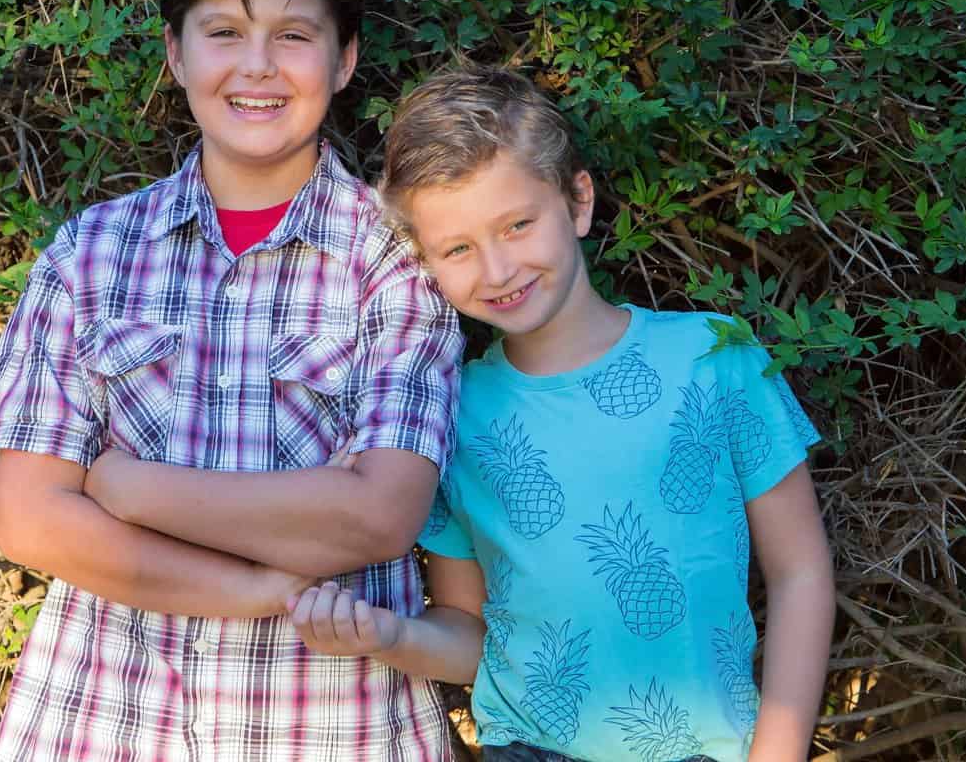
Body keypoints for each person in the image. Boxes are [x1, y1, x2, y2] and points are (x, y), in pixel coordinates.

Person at [0, 0, 463, 761]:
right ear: (176, 56)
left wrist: (126, 489)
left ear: (343, 61)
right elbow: (32, 522)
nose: (257, 67)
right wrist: (265, 585)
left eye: (294, 36)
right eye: (223, 32)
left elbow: (378, 516)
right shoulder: (93, 253)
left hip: (329, 725)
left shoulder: (398, 258)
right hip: (101, 716)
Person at [289, 67, 837, 761]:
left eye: (518, 225)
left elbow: (801, 572)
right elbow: (468, 631)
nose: (496, 269)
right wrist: (390, 637)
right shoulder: (451, 413)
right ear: (426, 261)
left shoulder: (714, 356)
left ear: (578, 202)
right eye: (457, 248)